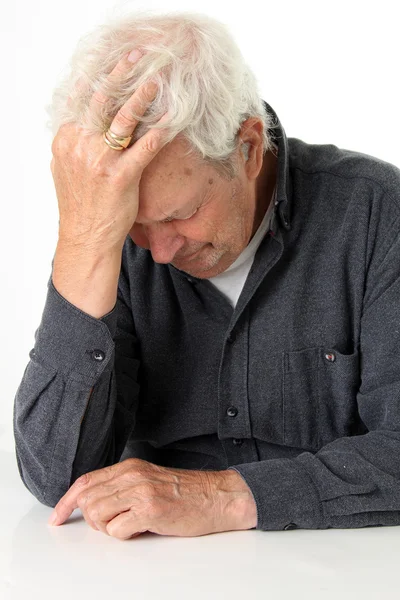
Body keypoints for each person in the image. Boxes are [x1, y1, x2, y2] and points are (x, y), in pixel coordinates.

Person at [13, 11, 400, 540]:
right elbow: (56, 477)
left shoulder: (378, 216)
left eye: (178, 215)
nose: (162, 252)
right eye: (134, 224)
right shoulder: (110, 241)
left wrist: (226, 497)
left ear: (247, 147)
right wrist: (86, 243)